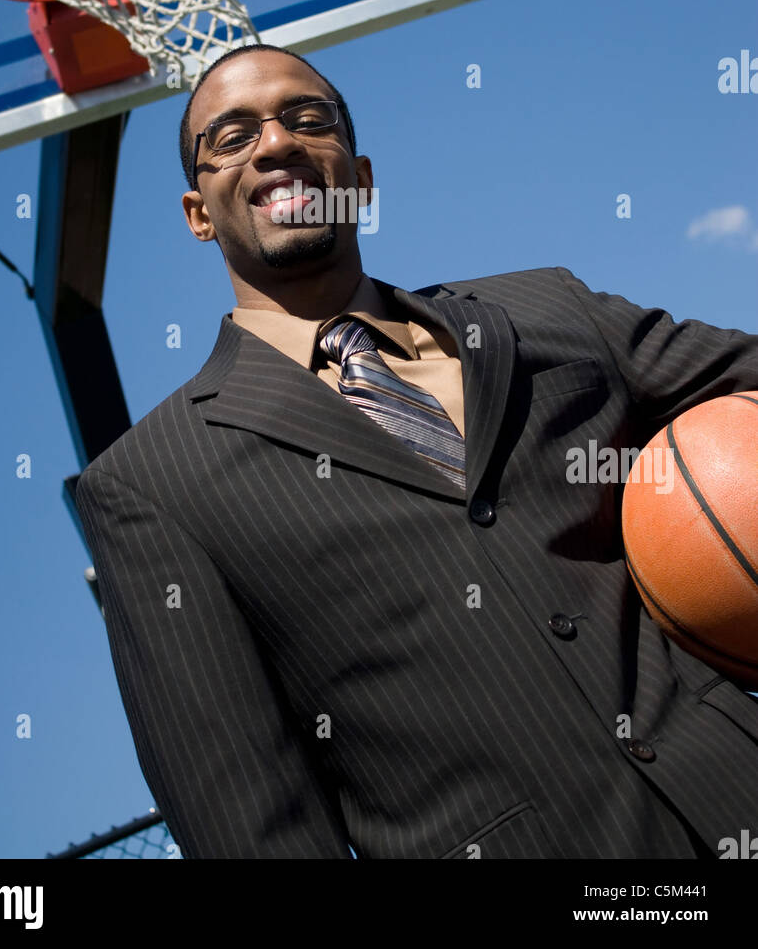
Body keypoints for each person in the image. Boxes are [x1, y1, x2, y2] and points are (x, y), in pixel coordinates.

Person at [75, 42, 758, 859]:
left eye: (307, 119)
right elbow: (250, 819)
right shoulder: (152, 484)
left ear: (360, 177)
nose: (276, 144)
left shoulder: (549, 308)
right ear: (197, 213)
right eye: (231, 136)